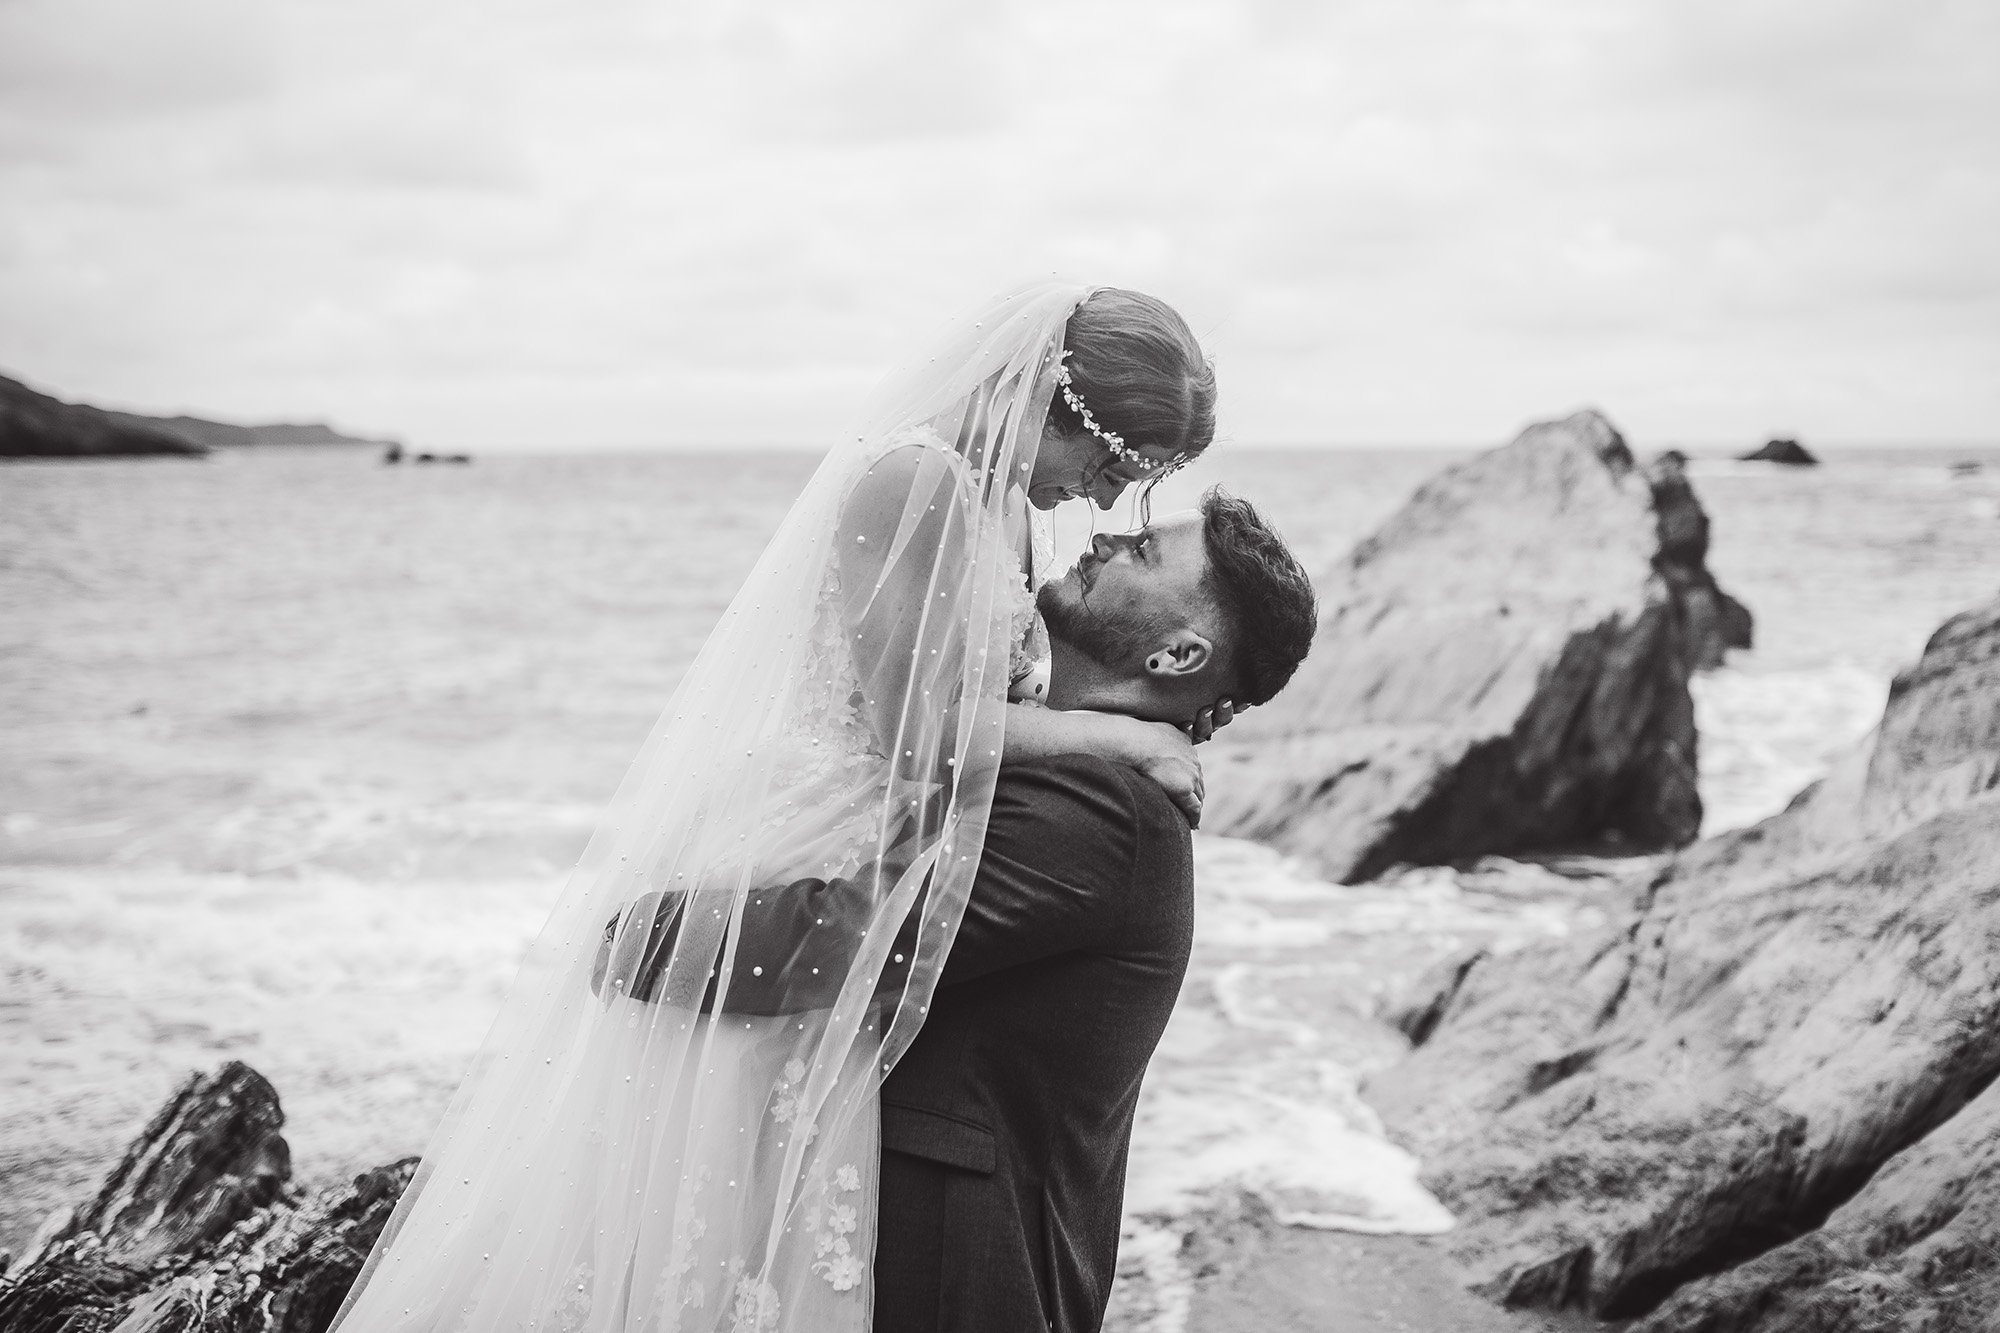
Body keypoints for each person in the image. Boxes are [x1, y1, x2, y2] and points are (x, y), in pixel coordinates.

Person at [331, 284, 1226, 1333]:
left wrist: (1137, 714)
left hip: (887, 850)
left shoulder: (1001, 506)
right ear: (1051, 396)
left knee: (787, 1215)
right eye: (1110, 467)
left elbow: (986, 715)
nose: (1100, 500)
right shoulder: (913, 479)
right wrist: (1117, 738)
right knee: (717, 1199)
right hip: (817, 840)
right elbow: (922, 733)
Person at [620, 492, 1318, 1332]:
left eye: (1142, 549)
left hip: (953, 1277)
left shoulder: (1104, 813)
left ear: (1177, 655)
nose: (1106, 534)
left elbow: (845, 942)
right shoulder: (1065, 766)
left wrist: (644, 936)